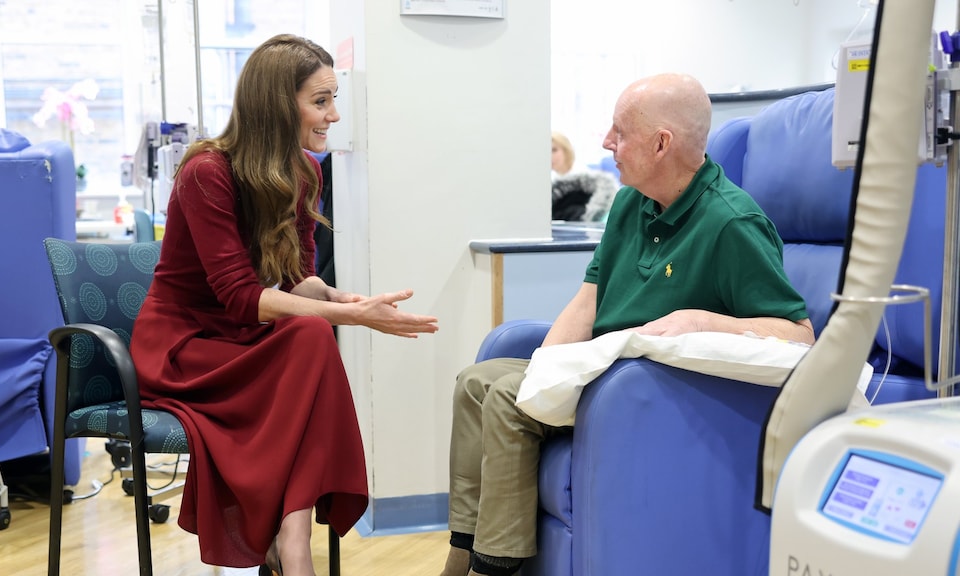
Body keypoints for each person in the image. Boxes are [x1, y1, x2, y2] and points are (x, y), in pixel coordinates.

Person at [439, 73, 815, 576]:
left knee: (509, 397)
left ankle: (494, 568)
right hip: (598, 368)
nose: (605, 142)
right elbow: (587, 304)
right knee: (476, 383)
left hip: (649, 390)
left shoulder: (731, 222)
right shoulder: (629, 203)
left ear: (661, 144)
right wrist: (546, 370)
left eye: (620, 131)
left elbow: (798, 334)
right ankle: (460, 554)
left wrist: (701, 320)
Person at [130, 34, 439, 576]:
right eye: (321, 101)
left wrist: (341, 298)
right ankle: (291, 549)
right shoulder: (206, 172)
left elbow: (296, 283)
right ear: (277, 104)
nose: (334, 115)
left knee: (312, 337)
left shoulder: (305, 171)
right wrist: (351, 317)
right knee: (315, 341)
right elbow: (241, 298)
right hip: (185, 346)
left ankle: (291, 542)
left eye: (333, 99)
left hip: (241, 340)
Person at [550, 130, 619, 221]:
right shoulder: (550, 180)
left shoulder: (588, 180)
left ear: (566, 150)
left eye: (554, 150)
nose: (550, 156)